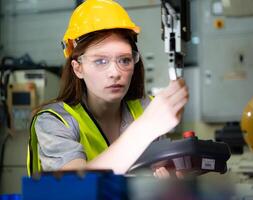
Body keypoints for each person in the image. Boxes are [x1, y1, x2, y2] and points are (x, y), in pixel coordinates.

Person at [27, 0, 189, 177]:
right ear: (78, 68)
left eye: (124, 60)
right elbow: (74, 187)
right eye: (100, 61)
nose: (115, 73)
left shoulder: (144, 110)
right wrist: (145, 128)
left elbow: (164, 172)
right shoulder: (55, 122)